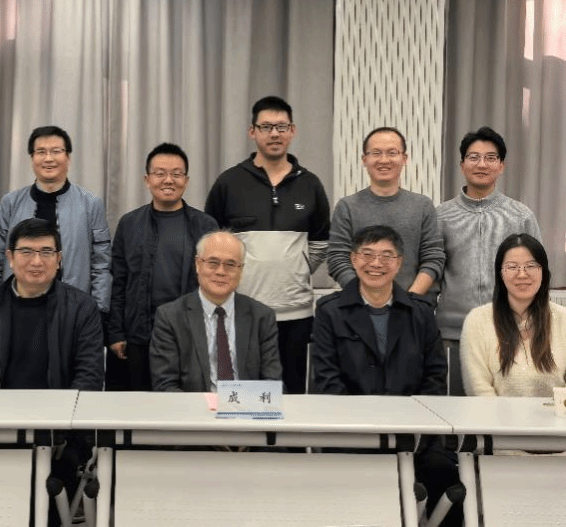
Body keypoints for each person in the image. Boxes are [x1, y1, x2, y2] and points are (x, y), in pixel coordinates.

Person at [312, 225, 459, 526]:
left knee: (446, 474)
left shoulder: (420, 313)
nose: (376, 263)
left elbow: (435, 377)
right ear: (353, 259)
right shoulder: (330, 311)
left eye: (386, 256)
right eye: (367, 254)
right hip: (350, 434)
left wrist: (413, 428)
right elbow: (327, 380)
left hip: (415, 433)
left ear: (399, 263)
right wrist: (363, 426)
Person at [204, 96, 329, 394]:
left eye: (281, 127)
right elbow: (213, 246)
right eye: (266, 127)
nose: (275, 134)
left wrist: (294, 269)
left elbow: (320, 244)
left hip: (296, 314)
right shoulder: (229, 183)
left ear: (292, 131)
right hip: (241, 311)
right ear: (252, 132)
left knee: (291, 395)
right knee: (242, 394)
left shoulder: (310, 184)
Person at [107, 143, 217, 390]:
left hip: (189, 336)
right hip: (138, 336)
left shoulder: (206, 226)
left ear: (186, 180)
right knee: (139, 405)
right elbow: (118, 282)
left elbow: (215, 284)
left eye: (177, 174)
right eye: (160, 173)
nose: (168, 180)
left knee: (185, 405)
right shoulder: (129, 224)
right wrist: (116, 333)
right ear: (147, 179)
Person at [0, 217, 104, 391]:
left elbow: (89, 375)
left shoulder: (82, 307)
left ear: (58, 259)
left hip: (60, 405)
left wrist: (63, 407)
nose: (36, 262)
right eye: (26, 252)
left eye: (46, 252)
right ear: (10, 257)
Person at [436, 127, 541, 343]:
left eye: (490, 158)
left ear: (501, 166)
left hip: (509, 332)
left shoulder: (521, 216)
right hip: (452, 334)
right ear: (462, 165)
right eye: (474, 157)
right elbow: (431, 275)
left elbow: (537, 274)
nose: (482, 164)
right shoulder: (441, 216)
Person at [0, 126, 111, 317]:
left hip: (73, 311)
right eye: (41, 152)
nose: (48, 158)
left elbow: (101, 263)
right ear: (32, 158)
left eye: (56, 151)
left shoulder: (90, 204)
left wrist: (99, 310)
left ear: (68, 157)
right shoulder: (10, 203)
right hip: (17, 308)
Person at [149, 230, 282, 392]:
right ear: (198, 264)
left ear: (241, 270)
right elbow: (165, 385)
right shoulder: (170, 317)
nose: (220, 272)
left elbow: (272, 382)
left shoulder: (262, 316)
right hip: (192, 406)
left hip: (246, 405)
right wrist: (202, 407)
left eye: (230, 264)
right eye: (213, 262)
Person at [328, 126, 444, 296]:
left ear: (404, 158)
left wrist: (408, 300)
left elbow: (433, 258)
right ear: (364, 159)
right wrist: (367, 299)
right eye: (376, 153)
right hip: (361, 305)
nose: (384, 160)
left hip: (413, 304)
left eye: (392, 153)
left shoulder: (422, 206)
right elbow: (338, 259)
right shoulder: (347, 207)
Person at [460, 234, 566, 397]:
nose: (522, 274)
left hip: (554, 414)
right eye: (512, 267)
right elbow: (479, 390)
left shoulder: (563, 319)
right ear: (500, 274)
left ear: (543, 272)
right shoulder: (477, 321)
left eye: (531, 266)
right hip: (493, 413)